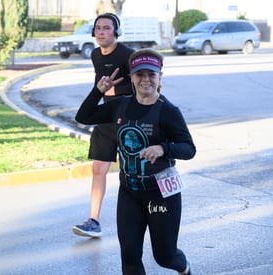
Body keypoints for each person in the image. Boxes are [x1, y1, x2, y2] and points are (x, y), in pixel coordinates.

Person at [75, 48, 195, 274]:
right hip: (130, 192)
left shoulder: (168, 111)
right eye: (140, 74)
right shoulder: (121, 105)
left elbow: (189, 149)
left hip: (162, 194)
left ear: (160, 77)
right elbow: (83, 117)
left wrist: (163, 148)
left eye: (151, 74)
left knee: (165, 256)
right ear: (132, 77)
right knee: (129, 256)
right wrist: (97, 91)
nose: (146, 80)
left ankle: (184, 267)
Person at [72, 13, 135, 237]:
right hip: (107, 117)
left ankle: (142, 216)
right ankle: (93, 221)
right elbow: (100, 84)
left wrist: (115, 90)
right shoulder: (96, 55)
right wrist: (102, 92)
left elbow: (144, 84)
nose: (101, 32)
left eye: (106, 28)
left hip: (129, 120)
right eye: (98, 28)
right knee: (98, 168)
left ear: (115, 32)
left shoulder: (129, 55)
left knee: (133, 172)